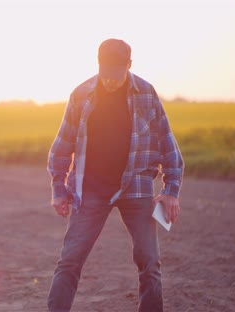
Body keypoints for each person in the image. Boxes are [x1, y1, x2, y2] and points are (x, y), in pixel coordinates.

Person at [46, 38, 184, 312]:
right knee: (70, 259)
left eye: (115, 74)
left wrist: (171, 192)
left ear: (129, 65)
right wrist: (59, 188)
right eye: (103, 72)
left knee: (149, 261)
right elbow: (62, 145)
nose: (108, 81)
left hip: (136, 187)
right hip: (91, 189)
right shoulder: (81, 94)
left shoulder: (146, 93)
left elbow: (168, 145)